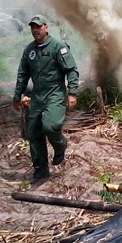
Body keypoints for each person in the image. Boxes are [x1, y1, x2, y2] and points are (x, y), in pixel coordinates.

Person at [13, 15, 79, 179]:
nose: (35, 30)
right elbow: (23, 74)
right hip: (37, 95)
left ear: (46, 27)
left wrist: (72, 93)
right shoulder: (29, 50)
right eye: (33, 27)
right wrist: (16, 97)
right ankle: (41, 171)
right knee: (33, 134)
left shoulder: (58, 47)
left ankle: (60, 145)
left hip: (55, 93)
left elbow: (71, 70)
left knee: (51, 125)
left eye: (38, 27)